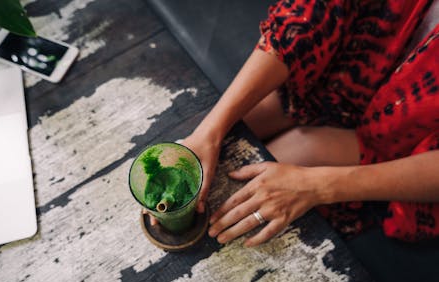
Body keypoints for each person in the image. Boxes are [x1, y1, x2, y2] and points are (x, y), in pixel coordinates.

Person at [178, 0, 439, 247]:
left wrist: (317, 186)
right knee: (216, 136)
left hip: (405, 143)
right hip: (338, 73)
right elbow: (310, 11)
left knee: (241, 193)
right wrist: (209, 132)